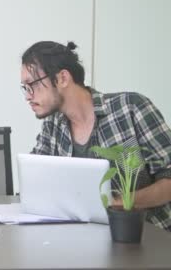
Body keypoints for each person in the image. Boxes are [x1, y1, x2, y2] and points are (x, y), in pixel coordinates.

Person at [22, 40, 171, 231]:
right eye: (24, 88)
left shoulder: (130, 108)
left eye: (31, 85)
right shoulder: (52, 125)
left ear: (62, 79)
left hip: (146, 240)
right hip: (84, 240)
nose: (27, 95)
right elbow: (37, 182)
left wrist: (118, 203)